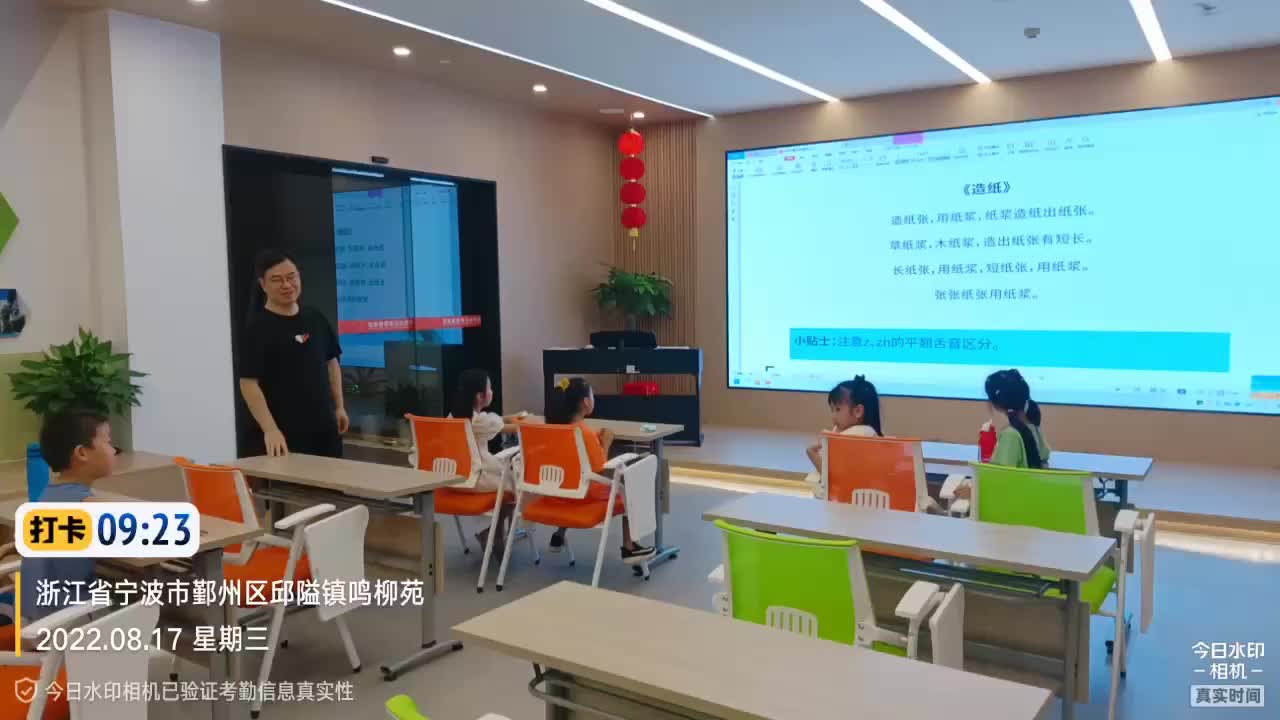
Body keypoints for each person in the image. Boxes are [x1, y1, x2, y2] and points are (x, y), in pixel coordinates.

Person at [239, 249, 348, 457]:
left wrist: (339, 406)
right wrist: (270, 430)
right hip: (285, 434)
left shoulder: (315, 318)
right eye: (277, 280)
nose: (287, 285)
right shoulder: (257, 329)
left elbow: (332, 362)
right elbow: (248, 383)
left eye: (291, 277)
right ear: (263, 284)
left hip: (325, 429)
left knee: (332, 477)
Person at [545, 377, 656, 565]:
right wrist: (605, 443)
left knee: (574, 476)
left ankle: (559, 534)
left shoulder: (556, 430)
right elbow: (600, 470)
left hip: (560, 491)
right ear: (586, 402)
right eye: (592, 395)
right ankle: (630, 546)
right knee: (630, 481)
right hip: (586, 495)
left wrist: (595, 438)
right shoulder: (584, 434)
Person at [20, 410, 116, 621]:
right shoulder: (87, 507)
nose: (113, 450)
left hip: (33, 622)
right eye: (108, 442)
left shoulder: (46, 496)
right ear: (82, 453)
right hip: (70, 624)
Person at [449, 368, 525, 553]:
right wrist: (530, 422)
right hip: (476, 477)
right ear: (479, 396)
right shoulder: (479, 421)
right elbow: (509, 428)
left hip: (455, 477)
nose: (492, 391)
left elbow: (496, 421)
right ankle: (494, 534)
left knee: (508, 483)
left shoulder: (454, 416)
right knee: (517, 487)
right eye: (489, 388)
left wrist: (512, 417)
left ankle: (494, 534)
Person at [954, 369, 1050, 500]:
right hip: (1029, 502)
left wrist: (973, 493)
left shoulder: (1010, 436)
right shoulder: (1034, 428)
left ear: (996, 405)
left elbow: (1001, 486)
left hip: (1011, 506)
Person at [803, 376, 883, 496]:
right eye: (832, 410)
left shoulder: (860, 434)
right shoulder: (863, 432)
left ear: (858, 411)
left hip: (850, 501)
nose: (833, 416)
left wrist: (813, 454)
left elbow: (832, 480)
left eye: (838, 409)